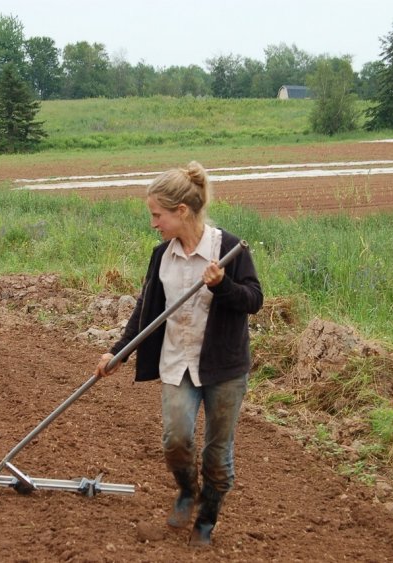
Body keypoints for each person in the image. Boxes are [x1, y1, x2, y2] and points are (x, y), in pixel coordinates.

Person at [95, 161, 262, 547]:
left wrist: (223, 286)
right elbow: (146, 310)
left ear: (181, 211)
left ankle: (207, 516)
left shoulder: (228, 250)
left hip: (224, 369)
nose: (154, 223)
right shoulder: (161, 256)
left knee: (218, 454)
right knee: (176, 441)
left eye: (157, 215)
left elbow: (254, 300)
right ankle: (187, 491)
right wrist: (116, 352)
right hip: (177, 363)